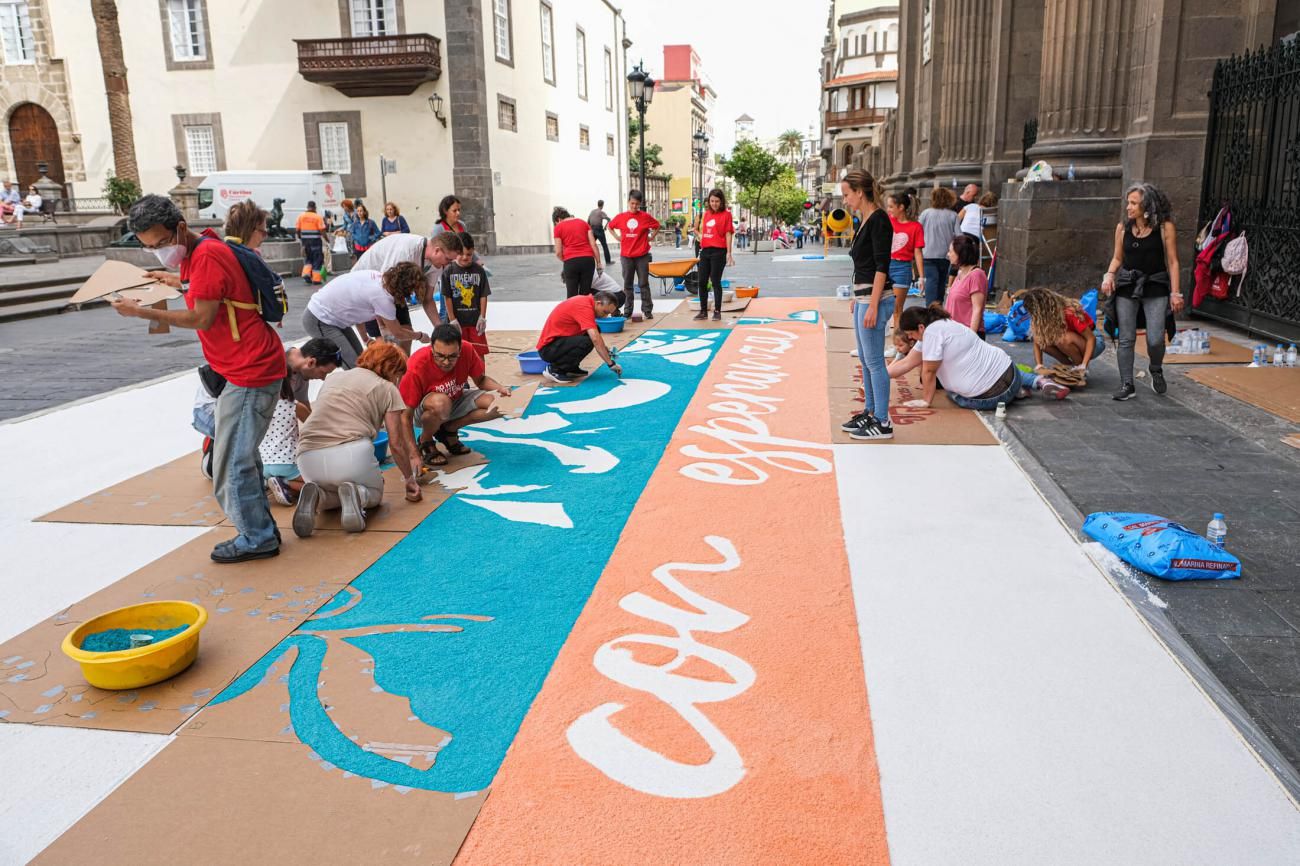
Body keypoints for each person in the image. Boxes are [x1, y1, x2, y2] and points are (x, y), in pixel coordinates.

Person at [111, 195, 286, 563]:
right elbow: (215, 287)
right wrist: (173, 280)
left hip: (249, 370)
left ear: (177, 228)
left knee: (230, 462)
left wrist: (139, 311)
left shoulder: (205, 255)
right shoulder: (201, 248)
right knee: (241, 455)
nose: (158, 251)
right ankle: (261, 530)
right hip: (245, 366)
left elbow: (201, 317)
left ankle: (256, 538)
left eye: (160, 243)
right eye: (149, 248)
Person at [293, 342, 423, 536]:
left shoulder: (334, 378)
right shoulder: (387, 388)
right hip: (351, 454)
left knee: (332, 493)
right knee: (374, 494)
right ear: (392, 369)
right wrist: (409, 480)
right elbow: (396, 443)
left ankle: (318, 495)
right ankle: (359, 494)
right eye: (398, 375)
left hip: (307, 457)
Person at [891, 304, 1069, 411]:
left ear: (921, 327)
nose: (911, 339)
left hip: (990, 397)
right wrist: (875, 375)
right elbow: (906, 363)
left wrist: (925, 401)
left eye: (910, 334)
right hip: (1011, 372)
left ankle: (1016, 394)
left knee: (953, 394)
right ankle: (1038, 381)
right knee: (995, 366)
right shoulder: (944, 323)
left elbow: (928, 371)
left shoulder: (931, 334)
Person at [1101, 182, 1183, 401]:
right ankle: (1127, 383)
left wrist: (1176, 293)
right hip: (1128, 284)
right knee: (1126, 338)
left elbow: (1173, 262)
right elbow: (1118, 258)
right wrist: (1109, 275)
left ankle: (1155, 368)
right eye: (1128, 202)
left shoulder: (1165, 228)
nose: (1128, 207)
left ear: (1147, 206)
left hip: (1155, 286)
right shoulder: (1123, 228)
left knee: (1155, 339)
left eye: (1134, 203)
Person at [399, 323, 511, 466]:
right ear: (431, 347)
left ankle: (449, 429)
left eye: (452, 356)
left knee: (502, 404)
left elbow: (481, 380)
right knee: (441, 403)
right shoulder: (416, 365)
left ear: (460, 348)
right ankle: (425, 441)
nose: (446, 362)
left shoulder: (467, 350)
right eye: (439, 356)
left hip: (455, 399)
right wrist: (413, 454)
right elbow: (405, 415)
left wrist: (501, 388)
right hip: (427, 410)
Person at [839, 169, 896, 440]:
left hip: (877, 298)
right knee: (865, 359)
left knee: (874, 361)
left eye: (847, 194)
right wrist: (857, 296)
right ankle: (871, 411)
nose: (845, 200)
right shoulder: (865, 220)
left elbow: (882, 266)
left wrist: (872, 304)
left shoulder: (879, 219)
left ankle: (883, 422)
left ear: (860, 192)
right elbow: (864, 266)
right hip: (864, 297)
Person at [261, 338, 342, 507]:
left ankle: (273, 482)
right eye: (324, 373)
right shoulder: (294, 406)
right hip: (285, 462)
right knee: (322, 485)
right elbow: (314, 425)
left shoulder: (268, 403)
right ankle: (285, 484)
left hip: (263, 461)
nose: (322, 379)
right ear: (311, 362)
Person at [302, 262, 431, 367]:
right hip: (319, 318)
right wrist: (420, 336)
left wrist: (365, 339)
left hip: (335, 318)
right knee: (352, 366)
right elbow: (398, 333)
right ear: (405, 287)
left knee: (361, 361)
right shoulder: (383, 298)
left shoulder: (378, 277)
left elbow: (356, 308)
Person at [352, 231, 463, 339]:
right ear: (437, 251)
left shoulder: (438, 263)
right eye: (448, 259)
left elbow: (427, 299)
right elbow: (382, 289)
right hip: (367, 288)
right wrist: (383, 326)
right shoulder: (406, 251)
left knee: (406, 334)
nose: (448, 265)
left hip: (393, 292)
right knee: (385, 343)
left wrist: (440, 329)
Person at [535, 290, 624, 383]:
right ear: (598, 303)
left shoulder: (587, 303)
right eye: (605, 312)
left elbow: (595, 335)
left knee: (595, 330)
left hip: (557, 343)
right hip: (548, 349)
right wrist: (611, 364)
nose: (605, 316)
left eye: (608, 313)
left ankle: (570, 368)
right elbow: (595, 339)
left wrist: (604, 349)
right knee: (588, 341)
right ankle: (555, 369)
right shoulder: (584, 307)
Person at [1021, 287, 1106, 377]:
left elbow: (1091, 338)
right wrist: (1039, 366)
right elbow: (1037, 340)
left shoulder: (1069, 312)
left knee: (1062, 339)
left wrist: (1084, 365)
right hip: (1075, 340)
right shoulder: (1043, 317)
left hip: (1095, 342)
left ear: (1043, 310)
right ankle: (1069, 367)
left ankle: (1079, 369)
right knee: (1041, 339)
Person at [607, 190, 660, 320]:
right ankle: (627, 310)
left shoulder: (645, 217)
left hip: (642, 255)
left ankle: (647, 310)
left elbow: (657, 225)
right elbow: (610, 226)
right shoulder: (621, 217)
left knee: (643, 283)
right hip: (626, 256)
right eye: (632, 203)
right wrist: (617, 237)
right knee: (628, 284)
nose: (634, 206)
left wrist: (651, 236)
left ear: (640, 204)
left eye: (637, 204)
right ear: (628, 202)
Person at [441, 231, 491, 355]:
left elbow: (483, 295)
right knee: (458, 353)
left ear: (473, 251)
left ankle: (480, 374)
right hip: (457, 322)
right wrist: (452, 320)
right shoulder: (448, 271)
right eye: (461, 254)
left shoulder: (479, 271)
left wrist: (482, 317)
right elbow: (447, 297)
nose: (464, 257)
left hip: (475, 322)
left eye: (468, 254)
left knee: (478, 353)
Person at [694, 188, 736, 321]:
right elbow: (705, 231)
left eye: (717, 201)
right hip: (705, 251)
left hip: (719, 251)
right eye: (712, 201)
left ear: (721, 201)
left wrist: (729, 253)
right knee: (702, 282)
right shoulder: (706, 214)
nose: (714, 203)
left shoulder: (727, 215)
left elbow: (728, 233)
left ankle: (717, 311)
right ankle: (703, 311)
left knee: (715, 281)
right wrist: (701, 237)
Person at [887, 191, 925, 332]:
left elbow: (918, 252)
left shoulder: (915, 227)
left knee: (897, 309)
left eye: (891, 206)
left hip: (902, 268)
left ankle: (897, 344)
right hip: (885, 265)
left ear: (901, 207)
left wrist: (921, 277)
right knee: (879, 305)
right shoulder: (888, 221)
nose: (888, 210)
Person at [918, 187, 961, 305]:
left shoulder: (925, 213)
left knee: (931, 281)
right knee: (941, 282)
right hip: (945, 254)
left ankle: (931, 307)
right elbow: (959, 235)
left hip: (927, 253)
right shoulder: (953, 215)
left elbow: (918, 231)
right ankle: (939, 305)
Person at [553, 205, 603, 297]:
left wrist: (567, 260)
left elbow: (558, 252)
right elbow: (593, 244)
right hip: (588, 261)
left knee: (571, 295)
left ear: (558, 219)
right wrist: (599, 263)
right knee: (585, 294)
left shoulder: (558, 227)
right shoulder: (583, 223)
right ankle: (585, 311)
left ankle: (572, 311)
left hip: (571, 262)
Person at [945, 235, 987, 337]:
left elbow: (977, 309)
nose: (948, 254)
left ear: (960, 253)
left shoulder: (976, 275)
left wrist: (971, 337)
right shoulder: (960, 273)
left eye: (951, 252)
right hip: (954, 332)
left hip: (967, 334)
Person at [295, 200, 327, 285]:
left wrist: (300, 237)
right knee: (317, 259)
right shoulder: (318, 217)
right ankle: (316, 279)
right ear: (315, 207)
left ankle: (306, 274)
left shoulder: (301, 216)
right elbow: (322, 230)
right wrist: (327, 239)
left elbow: (297, 230)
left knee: (308, 259)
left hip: (305, 243)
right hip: (316, 242)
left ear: (307, 207)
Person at [588, 199, 612, 265]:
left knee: (591, 245)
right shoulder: (601, 212)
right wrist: (605, 227)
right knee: (604, 246)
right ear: (602, 205)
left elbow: (588, 221)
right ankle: (608, 261)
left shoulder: (592, 211)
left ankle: (589, 260)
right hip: (599, 230)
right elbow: (609, 219)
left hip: (592, 229)